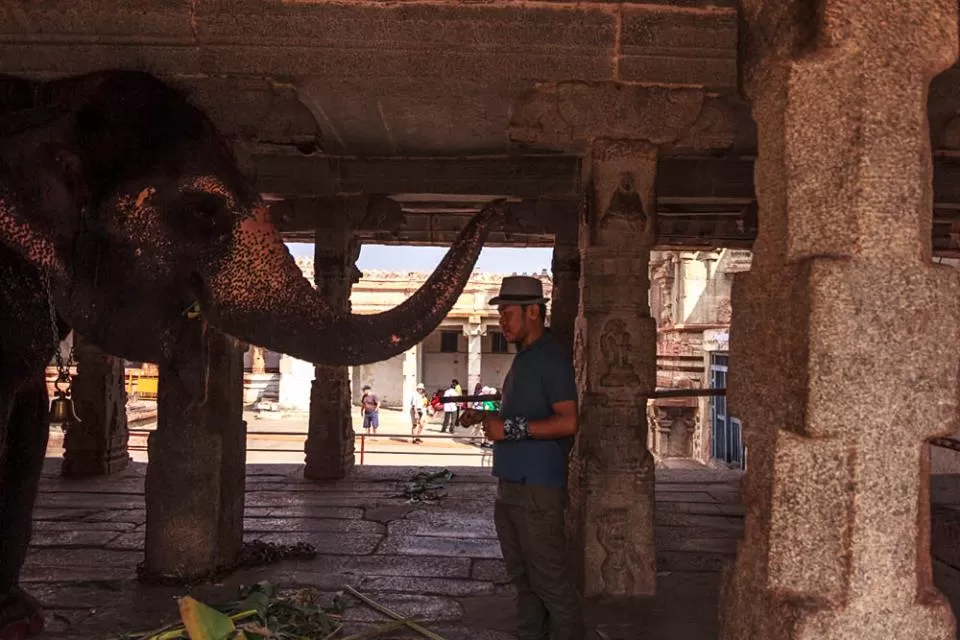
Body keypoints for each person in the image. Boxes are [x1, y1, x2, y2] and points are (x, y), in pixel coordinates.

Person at [459, 275, 582, 640]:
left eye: (507, 314)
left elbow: (568, 421)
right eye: (500, 315)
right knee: (524, 581)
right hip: (512, 485)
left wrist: (509, 429)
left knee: (551, 584)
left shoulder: (550, 359)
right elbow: (526, 412)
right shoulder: (525, 361)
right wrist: (485, 417)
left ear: (533, 312)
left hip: (537, 490)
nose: (502, 322)